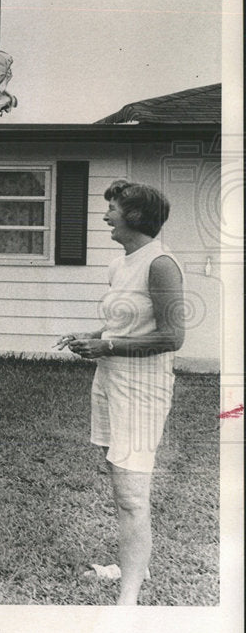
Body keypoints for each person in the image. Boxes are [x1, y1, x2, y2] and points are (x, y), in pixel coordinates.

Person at [56, 180, 184, 606]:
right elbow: (120, 324)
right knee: (119, 481)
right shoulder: (119, 264)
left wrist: (106, 345)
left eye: (112, 207)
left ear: (135, 216)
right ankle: (134, 564)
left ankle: (127, 600)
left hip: (143, 390)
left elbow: (173, 337)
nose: (105, 214)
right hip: (111, 382)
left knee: (131, 495)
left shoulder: (161, 264)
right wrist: (92, 335)